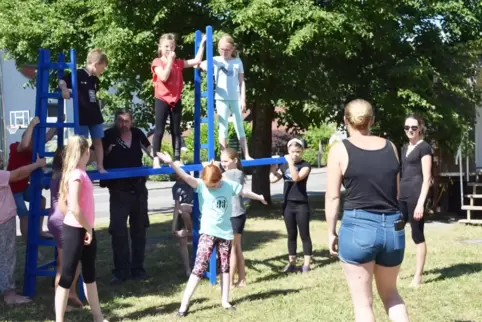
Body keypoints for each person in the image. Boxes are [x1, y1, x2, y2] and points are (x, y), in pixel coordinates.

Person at [325, 99, 409, 322]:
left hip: (358, 228)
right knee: (392, 296)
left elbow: (333, 197)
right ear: (372, 120)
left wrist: (331, 231)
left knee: (363, 305)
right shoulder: (390, 147)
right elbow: (397, 193)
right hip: (393, 229)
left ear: (345, 121)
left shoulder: (339, 150)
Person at [156, 151, 266, 317]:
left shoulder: (228, 185)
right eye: (208, 184)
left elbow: (244, 192)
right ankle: (183, 306)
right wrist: (171, 163)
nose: (210, 187)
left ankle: (225, 301)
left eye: (213, 185)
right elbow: (185, 177)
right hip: (207, 233)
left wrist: (259, 197)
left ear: (219, 179)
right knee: (198, 268)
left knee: (225, 267)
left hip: (226, 234)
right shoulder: (201, 184)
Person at [55, 135, 107, 322]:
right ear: (86, 152)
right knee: (67, 277)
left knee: (90, 275)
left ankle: (98, 317)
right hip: (77, 231)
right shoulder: (76, 175)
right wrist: (88, 229)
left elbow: (66, 205)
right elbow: (74, 207)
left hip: (84, 229)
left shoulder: (77, 173)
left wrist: (88, 228)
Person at [96, 109, 151, 284]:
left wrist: (158, 158)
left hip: (139, 189)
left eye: (127, 121)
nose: (124, 124)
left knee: (139, 230)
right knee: (119, 232)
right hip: (119, 191)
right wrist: (105, 154)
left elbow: (150, 149)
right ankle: (120, 271)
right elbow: (93, 156)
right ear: (115, 120)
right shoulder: (108, 135)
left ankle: (138, 269)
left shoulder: (137, 134)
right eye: (120, 120)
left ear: (132, 121)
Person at [151, 33, 206, 167]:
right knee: (159, 130)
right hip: (162, 99)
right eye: (166, 47)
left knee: (176, 130)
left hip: (175, 99)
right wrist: (169, 61)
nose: (169, 49)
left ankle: (177, 158)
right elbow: (163, 77)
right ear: (160, 48)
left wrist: (203, 43)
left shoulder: (178, 63)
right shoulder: (157, 62)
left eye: (171, 47)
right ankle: (156, 158)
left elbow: (196, 60)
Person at [0, 153, 46, 305]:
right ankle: (9, 295)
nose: (1, 159)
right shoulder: (1, 176)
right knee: (6, 256)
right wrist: (37, 164)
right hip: (3, 221)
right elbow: (18, 174)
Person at [198, 34, 252, 159]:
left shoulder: (237, 62)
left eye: (227, 49)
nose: (224, 52)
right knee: (223, 127)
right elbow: (198, 64)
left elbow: (242, 81)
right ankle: (224, 156)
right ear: (218, 48)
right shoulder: (215, 60)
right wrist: (203, 44)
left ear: (233, 49)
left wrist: (243, 99)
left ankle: (247, 154)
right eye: (222, 49)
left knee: (240, 125)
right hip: (221, 97)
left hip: (236, 98)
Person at [59, 48, 109, 173]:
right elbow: (62, 81)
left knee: (98, 141)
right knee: (82, 143)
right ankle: (81, 167)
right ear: (96, 64)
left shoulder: (95, 79)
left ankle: (100, 166)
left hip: (95, 115)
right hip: (82, 115)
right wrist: (65, 89)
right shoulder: (79, 74)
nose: (103, 70)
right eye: (102, 67)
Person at [7, 116, 56, 241]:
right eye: (31, 141)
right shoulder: (15, 147)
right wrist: (32, 125)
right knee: (24, 215)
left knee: (41, 200)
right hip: (12, 189)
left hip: (23, 186)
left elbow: (46, 138)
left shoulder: (33, 153)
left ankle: (39, 231)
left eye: (34, 142)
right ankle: (29, 243)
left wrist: (58, 123)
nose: (32, 144)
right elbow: (24, 144)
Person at [269, 139, 312, 273]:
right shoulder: (284, 166)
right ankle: (292, 263)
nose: (295, 155)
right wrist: (273, 165)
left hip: (301, 205)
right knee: (291, 234)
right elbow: (272, 179)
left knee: (304, 234)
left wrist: (290, 163)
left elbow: (295, 178)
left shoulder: (306, 165)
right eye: (292, 152)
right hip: (288, 204)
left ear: (302, 152)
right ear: (288, 151)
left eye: (298, 152)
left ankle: (306, 264)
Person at [48, 147, 83, 310]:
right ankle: (60, 302)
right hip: (63, 220)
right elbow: (69, 203)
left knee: (73, 262)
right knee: (64, 265)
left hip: (54, 219)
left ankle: (71, 293)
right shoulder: (67, 176)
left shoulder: (56, 173)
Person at [400, 115, 432, 288]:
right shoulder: (405, 148)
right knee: (396, 231)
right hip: (402, 196)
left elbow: (427, 178)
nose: (410, 130)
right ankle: (395, 272)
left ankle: (418, 276)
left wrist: (420, 203)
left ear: (420, 128)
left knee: (417, 235)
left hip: (416, 195)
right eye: (406, 127)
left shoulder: (424, 147)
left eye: (413, 127)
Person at [220, 148, 248, 287]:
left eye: (226, 161)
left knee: (232, 249)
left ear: (235, 160)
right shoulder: (226, 173)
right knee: (236, 248)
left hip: (236, 215)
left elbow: (222, 179)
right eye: (222, 161)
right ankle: (242, 279)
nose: (223, 164)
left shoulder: (236, 173)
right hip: (234, 214)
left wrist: (211, 168)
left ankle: (229, 282)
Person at [171, 171, 194, 277]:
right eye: (176, 175)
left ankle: (189, 232)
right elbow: (177, 207)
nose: (177, 177)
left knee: (184, 207)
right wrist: (173, 226)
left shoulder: (192, 182)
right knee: (182, 241)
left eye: (179, 174)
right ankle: (187, 269)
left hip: (195, 211)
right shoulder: (176, 187)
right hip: (184, 214)